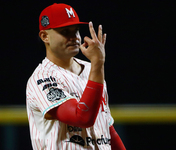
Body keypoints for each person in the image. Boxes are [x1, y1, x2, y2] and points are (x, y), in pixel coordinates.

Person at [26, 3, 126, 150]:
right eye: (65, 31)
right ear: (45, 36)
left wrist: (96, 65)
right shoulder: (42, 78)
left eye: (76, 30)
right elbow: (82, 118)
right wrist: (98, 63)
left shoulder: (91, 69)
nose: (74, 37)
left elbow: (108, 129)